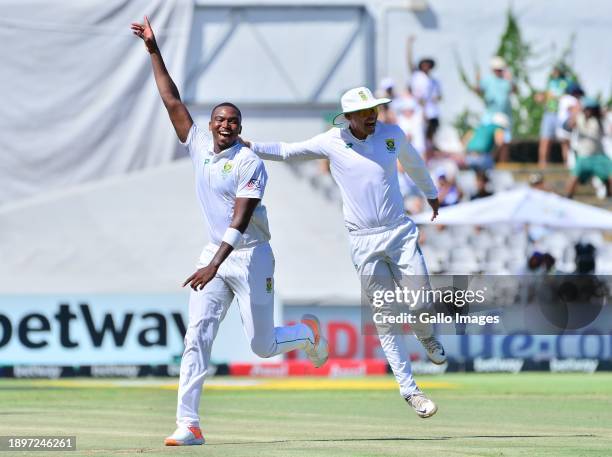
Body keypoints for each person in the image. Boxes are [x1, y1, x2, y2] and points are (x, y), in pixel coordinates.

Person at [131, 16, 328, 446]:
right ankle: (189, 424)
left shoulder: (249, 162)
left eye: (233, 121)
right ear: (211, 123)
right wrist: (152, 49)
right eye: (220, 119)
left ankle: (308, 334)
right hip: (213, 256)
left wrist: (215, 265)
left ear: (240, 127)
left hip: (251, 256)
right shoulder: (199, 143)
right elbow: (171, 101)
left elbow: (240, 219)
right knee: (196, 337)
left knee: (261, 346)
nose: (225, 125)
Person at [244, 86, 446, 418]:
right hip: (363, 241)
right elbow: (288, 151)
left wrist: (431, 193)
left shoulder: (392, 134)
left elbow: (413, 163)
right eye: (365, 111)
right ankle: (410, 391)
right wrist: (251, 145)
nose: (373, 115)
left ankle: (427, 338)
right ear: (349, 117)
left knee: (421, 302)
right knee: (385, 317)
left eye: (375, 109)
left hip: (399, 232)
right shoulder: (332, 141)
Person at [565, 97, 612, 198]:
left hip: (599, 155)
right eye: (587, 109)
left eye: (591, 109)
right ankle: (568, 196)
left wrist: (603, 113)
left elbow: (609, 129)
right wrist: (576, 112)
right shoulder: (579, 118)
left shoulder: (600, 120)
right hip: (584, 156)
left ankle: (609, 194)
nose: (588, 111)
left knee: (609, 174)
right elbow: (568, 126)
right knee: (574, 177)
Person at [406, 36, 442, 152]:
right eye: (424, 64)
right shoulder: (417, 76)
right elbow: (409, 62)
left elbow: (438, 96)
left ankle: (430, 145)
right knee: (419, 130)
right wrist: (409, 44)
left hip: (431, 109)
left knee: (432, 127)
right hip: (418, 107)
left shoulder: (433, 80)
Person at [472, 56, 516, 143]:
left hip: (505, 116)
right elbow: (478, 90)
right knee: (489, 141)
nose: (498, 71)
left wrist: (511, 80)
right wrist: (477, 82)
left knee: (504, 142)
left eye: (500, 69)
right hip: (490, 116)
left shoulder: (507, 80)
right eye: (497, 69)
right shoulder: (487, 80)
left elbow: (514, 90)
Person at [536, 65, 571, 168]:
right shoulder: (550, 83)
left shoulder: (566, 82)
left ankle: (567, 163)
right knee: (545, 139)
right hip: (549, 113)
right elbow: (546, 96)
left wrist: (554, 97)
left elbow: (565, 96)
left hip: (561, 114)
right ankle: (542, 162)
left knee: (564, 140)